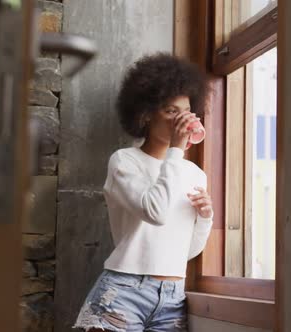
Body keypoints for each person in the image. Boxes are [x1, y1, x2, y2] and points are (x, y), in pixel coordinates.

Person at [73, 53, 214, 332]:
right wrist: (176, 149)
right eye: (171, 111)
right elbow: (155, 212)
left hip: (173, 298)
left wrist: (205, 217)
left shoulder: (195, 174)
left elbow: (187, 251)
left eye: (185, 112)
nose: (180, 120)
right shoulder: (124, 161)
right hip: (123, 292)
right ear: (146, 114)